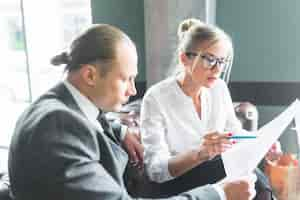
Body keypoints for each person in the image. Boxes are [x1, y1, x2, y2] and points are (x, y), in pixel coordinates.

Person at [8, 24, 255, 200]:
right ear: (90, 75)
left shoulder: (61, 105)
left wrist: (121, 129)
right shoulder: (56, 126)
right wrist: (219, 194)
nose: (133, 90)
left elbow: (91, 119)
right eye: (126, 79)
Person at [140, 18, 259, 197]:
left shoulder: (218, 88)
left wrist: (262, 142)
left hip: (212, 173)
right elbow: (156, 171)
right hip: (175, 184)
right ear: (184, 59)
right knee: (232, 171)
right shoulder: (156, 97)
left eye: (222, 61)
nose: (217, 69)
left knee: (249, 175)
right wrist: (201, 153)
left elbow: (234, 133)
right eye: (210, 60)